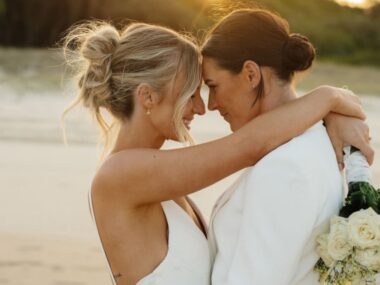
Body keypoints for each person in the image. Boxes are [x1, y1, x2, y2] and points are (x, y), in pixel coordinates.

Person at [62, 21, 370, 285]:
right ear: (148, 97)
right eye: (190, 93)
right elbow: (250, 146)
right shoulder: (120, 175)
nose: (201, 107)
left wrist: (332, 112)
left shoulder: (160, 180)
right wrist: (329, 98)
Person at [201, 8, 374, 285]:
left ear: (250, 74)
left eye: (213, 85)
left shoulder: (285, 167)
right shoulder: (314, 140)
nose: (211, 104)